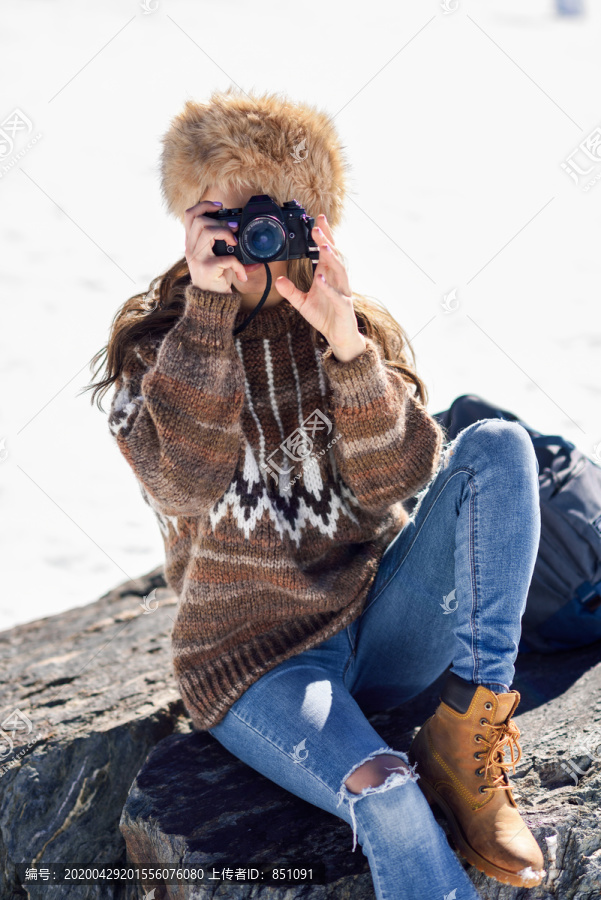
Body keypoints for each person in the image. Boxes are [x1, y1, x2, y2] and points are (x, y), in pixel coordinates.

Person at [84, 86, 547, 899]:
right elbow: (183, 484)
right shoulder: (152, 350)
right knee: (389, 800)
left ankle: (468, 731)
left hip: (379, 627)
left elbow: (395, 482)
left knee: (499, 446)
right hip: (256, 666)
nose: (255, 241)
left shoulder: (352, 329)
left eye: (277, 217)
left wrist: (344, 344)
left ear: (314, 220)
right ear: (193, 217)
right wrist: (205, 319)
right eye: (231, 216)